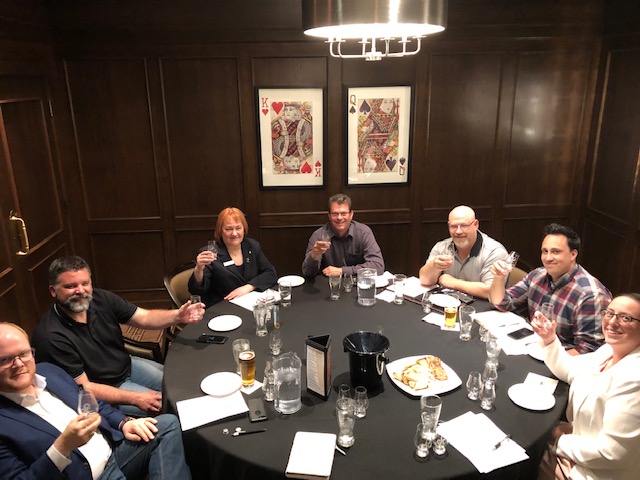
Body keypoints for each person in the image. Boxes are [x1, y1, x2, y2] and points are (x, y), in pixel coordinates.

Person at [0, 322, 191, 480]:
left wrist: (124, 423)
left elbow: (92, 404)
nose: (18, 364)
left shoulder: (49, 371)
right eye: (5, 360)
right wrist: (62, 447)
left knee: (167, 425)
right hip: (85, 475)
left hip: (112, 452)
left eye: (23, 354)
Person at [31, 255, 204, 417]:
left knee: (182, 385)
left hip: (126, 366)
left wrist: (178, 316)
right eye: (70, 286)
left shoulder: (100, 298)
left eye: (85, 283)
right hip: (104, 390)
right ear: (53, 291)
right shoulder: (51, 337)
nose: (80, 291)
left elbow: (144, 317)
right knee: (171, 406)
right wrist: (135, 398)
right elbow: (84, 388)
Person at [532, 294, 640, 480]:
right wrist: (549, 339)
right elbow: (570, 369)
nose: (612, 322)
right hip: (580, 444)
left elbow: (612, 454)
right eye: (609, 313)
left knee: (525, 460)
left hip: (597, 471)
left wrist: (558, 440)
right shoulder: (608, 351)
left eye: (625, 318)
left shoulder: (634, 378)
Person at [489, 223, 611, 354]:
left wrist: (551, 359)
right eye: (545, 251)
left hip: (562, 358)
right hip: (532, 345)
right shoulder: (538, 275)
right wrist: (498, 277)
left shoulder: (590, 295)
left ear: (573, 254)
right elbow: (502, 303)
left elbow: (588, 351)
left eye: (556, 252)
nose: (548, 258)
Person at [188, 207, 277, 307]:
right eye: (229, 229)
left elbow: (270, 273)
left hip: (251, 304)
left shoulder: (252, 246)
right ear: (220, 231)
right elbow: (197, 290)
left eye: (238, 228)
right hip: (222, 307)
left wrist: (248, 287)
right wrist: (199, 269)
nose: (234, 233)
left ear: (244, 229)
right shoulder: (209, 253)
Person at [419, 205, 508, 299]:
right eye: (453, 226)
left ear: (475, 225)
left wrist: (453, 283)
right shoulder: (441, 247)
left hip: (482, 306)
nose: (458, 231)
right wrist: (434, 266)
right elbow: (425, 280)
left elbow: (491, 292)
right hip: (450, 303)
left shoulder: (495, 252)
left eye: (464, 226)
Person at [302, 193, 384, 277]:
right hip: (328, 283)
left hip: (357, 283)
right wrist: (314, 256)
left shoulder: (363, 232)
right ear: (329, 215)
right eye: (335, 214)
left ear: (351, 215)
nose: (339, 218)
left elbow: (378, 266)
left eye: (344, 213)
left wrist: (342, 271)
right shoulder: (318, 235)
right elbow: (307, 273)